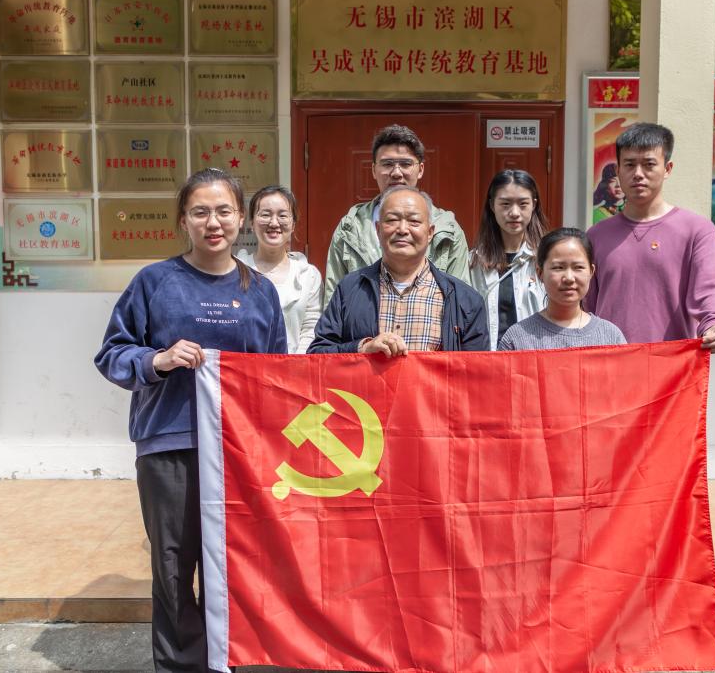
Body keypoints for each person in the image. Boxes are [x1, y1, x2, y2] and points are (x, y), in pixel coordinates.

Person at [94, 168, 286, 673]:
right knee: (174, 568)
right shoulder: (154, 282)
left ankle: (229, 659)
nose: (213, 222)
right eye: (200, 212)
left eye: (224, 211)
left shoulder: (260, 292)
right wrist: (157, 360)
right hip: (170, 445)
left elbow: (276, 374)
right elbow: (111, 354)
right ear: (183, 220)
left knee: (234, 565)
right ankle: (181, 665)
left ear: (241, 219)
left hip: (238, 453)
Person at [584, 123, 715, 353]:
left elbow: (711, 290)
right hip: (609, 363)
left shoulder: (696, 231)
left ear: (667, 168)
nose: (638, 174)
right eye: (629, 164)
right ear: (618, 170)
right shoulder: (596, 235)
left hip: (671, 364)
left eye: (649, 164)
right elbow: (584, 307)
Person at [309, 185, 488, 355]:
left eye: (414, 221)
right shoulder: (349, 289)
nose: (402, 229)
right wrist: (363, 348)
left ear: (430, 233)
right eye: (392, 220)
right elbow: (317, 354)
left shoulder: (465, 301)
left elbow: (475, 370)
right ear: (378, 230)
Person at [323, 124, 470, 304]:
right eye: (387, 164)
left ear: (420, 169)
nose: (396, 173)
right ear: (373, 170)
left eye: (406, 164)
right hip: (364, 322)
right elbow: (333, 299)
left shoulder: (447, 229)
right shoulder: (350, 227)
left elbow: (461, 302)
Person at [499, 228, 625, 350]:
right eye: (558, 267)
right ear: (540, 273)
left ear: (591, 272)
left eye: (578, 267)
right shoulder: (516, 339)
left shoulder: (611, 337)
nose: (569, 278)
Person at [236, 185, 322, 353]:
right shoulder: (236, 270)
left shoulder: (308, 275)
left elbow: (311, 328)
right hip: (246, 365)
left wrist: (293, 364)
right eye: (265, 215)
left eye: (282, 215)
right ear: (252, 222)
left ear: (293, 224)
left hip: (295, 365)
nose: (274, 223)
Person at [469, 169, 548, 350]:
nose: (514, 212)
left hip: (533, 359)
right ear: (492, 205)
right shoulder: (473, 262)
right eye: (505, 204)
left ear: (534, 205)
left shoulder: (546, 259)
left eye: (523, 204)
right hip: (489, 359)